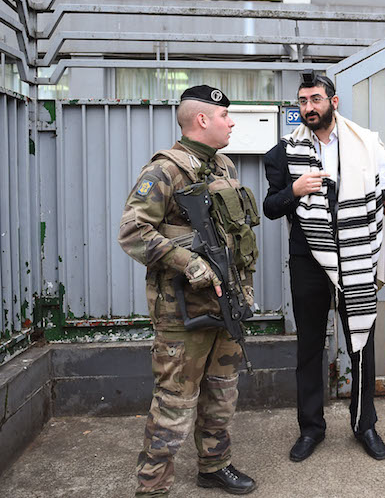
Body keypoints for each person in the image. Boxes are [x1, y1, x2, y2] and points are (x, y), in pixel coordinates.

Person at [263, 71, 385, 463]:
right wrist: (294, 191)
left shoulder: (366, 143)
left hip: (358, 257)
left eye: (315, 99)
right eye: (302, 101)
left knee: (361, 343)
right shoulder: (284, 152)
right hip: (308, 258)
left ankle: (365, 424)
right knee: (310, 346)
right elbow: (270, 207)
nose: (308, 108)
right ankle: (311, 428)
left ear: (334, 101)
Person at [118, 85, 260, 496]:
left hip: (224, 302)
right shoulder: (164, 170)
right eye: (225, 115)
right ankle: (153, 485)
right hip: (182, 312)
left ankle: (214, 465)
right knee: (174, 402)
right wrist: (188, 261)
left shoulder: (224, 168)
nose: (231, 122)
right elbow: (132, 232)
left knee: (222, 392)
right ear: (202, 119)